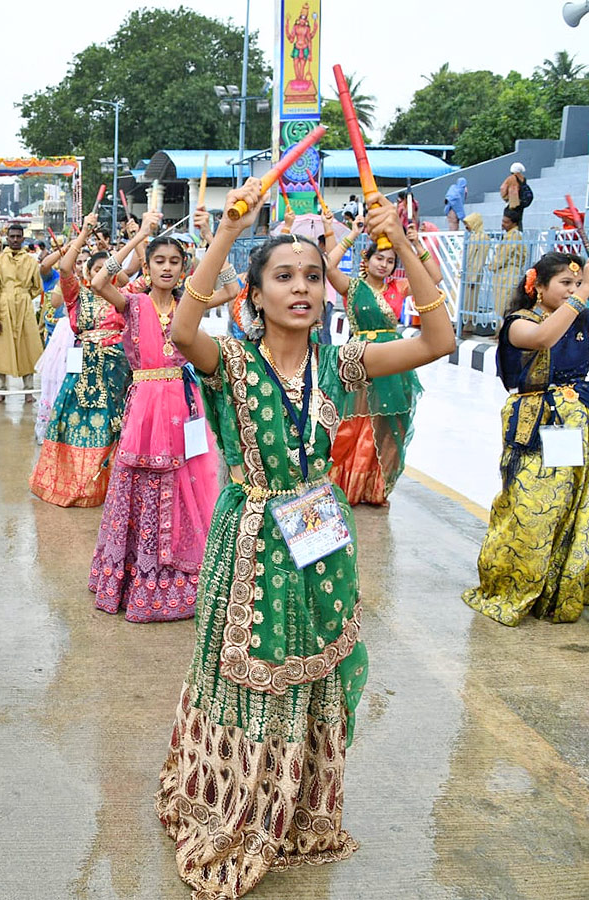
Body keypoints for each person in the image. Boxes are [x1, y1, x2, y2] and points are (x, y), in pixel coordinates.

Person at [156, 180, 455, 897]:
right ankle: (234, 802)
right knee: (246, 671)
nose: (302, 289)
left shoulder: (341, 365)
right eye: (284, 277)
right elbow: (180, 334)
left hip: (319, 532)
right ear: (254, 295)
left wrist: (401, 240)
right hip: (251, 533)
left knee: (314, 668)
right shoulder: (228, 361)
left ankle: (296, 812)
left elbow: (438, 341)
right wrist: (226, 233)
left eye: (313, 278)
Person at [87, 211, 221, 622]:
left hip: (183, 402)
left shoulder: (188, 306)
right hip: (145, 405)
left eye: (174, 262)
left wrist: (210, 235)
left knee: (187, 481)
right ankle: (135, 574)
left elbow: (232, 290)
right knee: (139, 483)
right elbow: (97, 283)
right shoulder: (135, 303)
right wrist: (140, 236)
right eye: (158, 261)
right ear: (147, 267)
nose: (166, 267)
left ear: (184, 270)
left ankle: (181, 571)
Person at [463, 252, 588, 626]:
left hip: (577, 424)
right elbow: (543, 339)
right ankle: (511, 586)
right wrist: (583, 294)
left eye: (576, 283)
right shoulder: (520, 322)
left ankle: (557, 591)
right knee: (531, 510)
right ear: (539, 285)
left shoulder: (581, 320)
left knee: (572, 509)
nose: (572, 291)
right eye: (566, 283)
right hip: (535, 428)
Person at [322, 212, 442, 505]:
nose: (384, 264)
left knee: (390, 426)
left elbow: (435, 278)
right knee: (353, 424)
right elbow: (327, 265)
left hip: (394, 362)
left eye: (390, 261)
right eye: (380, 258)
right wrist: (352, 233)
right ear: (368, 258)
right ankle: (345, 487)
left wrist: (414, 245)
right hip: (361, 359)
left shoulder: (399, 288)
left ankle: (375, 489)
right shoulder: (352, 287)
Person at [29, 213, 131, 507]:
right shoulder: (78, 296)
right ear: (88, 274)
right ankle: (76, 485)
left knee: (114, 427)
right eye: (96, 269)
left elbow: (134, 275)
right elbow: (63, 266)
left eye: (107, 269)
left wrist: (134, 240)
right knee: (73, 425)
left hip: (115, 375)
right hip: (83, 372)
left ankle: (111, 488)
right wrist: (84, 233)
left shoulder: (124, 296)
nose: (102, 272)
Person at [0, 223, 43, 401]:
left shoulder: (31, 261)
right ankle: (1, 389)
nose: (16, 240)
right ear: (7, 238)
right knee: (1, 347)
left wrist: (23, 296)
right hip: (3, 305)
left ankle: (28, 390)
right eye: (12, 237)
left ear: (23, 238)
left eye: (19, 236)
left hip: (24, 306)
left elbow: (37, 287)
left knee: (28, 346)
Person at [489, 207, 528, 324]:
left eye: (506, 222)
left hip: (508, 272)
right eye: (503, 221)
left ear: (514, 223)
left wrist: (493, 266)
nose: (503, 224)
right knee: (500, 302)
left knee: (505, 302)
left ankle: (503, 331)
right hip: (504, 272)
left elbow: (504, 254)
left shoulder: (514, 236)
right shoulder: (510, 235)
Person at [459, 212, 492, 336]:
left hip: (473, 274)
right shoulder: (472, 236)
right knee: (464, 300)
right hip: (466, 273)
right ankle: (462, 323)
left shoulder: (483, 238)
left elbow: (480, 259)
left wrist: (473, 277)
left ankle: (469, 325)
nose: (467, 227)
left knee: (470, 301)